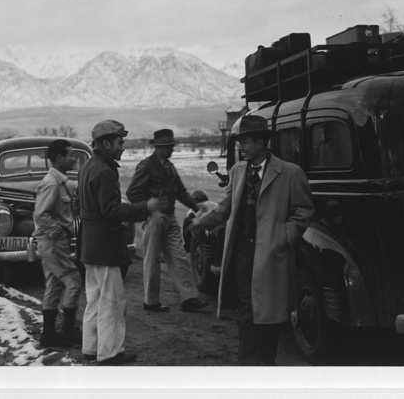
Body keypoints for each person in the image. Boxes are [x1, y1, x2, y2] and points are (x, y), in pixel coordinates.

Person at [198, 115, 314, 365]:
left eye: (247, 142)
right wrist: (202, 222)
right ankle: (249, 366)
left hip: (272, 255)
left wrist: (284, 236)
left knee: (270, 314)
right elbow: (225, 207)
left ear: (262, 142)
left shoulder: (289, 173)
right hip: (243, 253)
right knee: (246, 310)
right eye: (240, 142)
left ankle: (265, 364)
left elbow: (303, 211)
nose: (242, 147)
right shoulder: (237, 171)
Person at [78, 120, 161, 365]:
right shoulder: (105, 170)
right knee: (112, 302)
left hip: (90, 246)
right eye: (119, 142)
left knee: (94, 299)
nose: (123, 146)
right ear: (105, 143)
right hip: (105, 246)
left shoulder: (88, 167)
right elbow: (111, 210)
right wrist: (145, 207)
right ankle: (110, 353)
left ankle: (91, 348)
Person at [126, 129, 207, 313]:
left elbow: (180, 191)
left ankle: (189, 298)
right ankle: (151, 301)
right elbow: (132, 192)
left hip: (168, 216)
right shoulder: (146, 166)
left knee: (179, 256)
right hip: (155, 217)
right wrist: (148, 207)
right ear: (158, 147)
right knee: (152, 259)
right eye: (167, 147)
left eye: (171, 146)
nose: (170, 149)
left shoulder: (169, 167)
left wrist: (196, 207)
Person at [32, 139, 82, 348]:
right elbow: (40, 214)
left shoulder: (60, 181)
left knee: (53, 284)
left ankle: (49, 334)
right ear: (59, 158)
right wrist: (58, 231)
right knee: (73, 280)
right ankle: (68, 331)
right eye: (70, 154)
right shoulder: (52, 183)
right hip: (53, 242)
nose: (73, 158)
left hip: (51, 242)